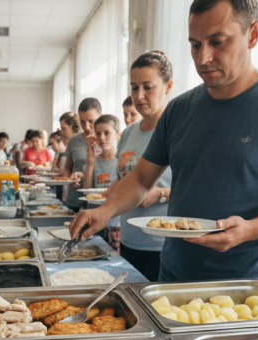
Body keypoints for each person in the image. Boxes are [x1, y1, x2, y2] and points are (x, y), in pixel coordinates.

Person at [69, 0, 258, 282]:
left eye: (218, 42)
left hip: (242, 284)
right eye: (195, 45)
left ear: (253, 34)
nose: (203, 58)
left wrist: (251, 229)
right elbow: (142, 178)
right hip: (172, 276)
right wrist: (104, 211)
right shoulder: (180, 110)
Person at [110, 50, 175, 281]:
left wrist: (161, 194)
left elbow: (198, 188)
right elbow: (123, 177)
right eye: (134, 87)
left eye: (148, 87)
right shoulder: (128, 133)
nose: (140, 95)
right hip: (129, 239)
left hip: (162, 244)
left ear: (167, 87)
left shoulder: (177, 131)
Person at [83, 115, 121, 250]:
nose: (102, 138)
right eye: (98, 134)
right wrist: (90, 164)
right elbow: (87, 191)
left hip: (116, 222)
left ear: (117, 135)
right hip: (96, 221)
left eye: (107, 133)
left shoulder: (121, 161)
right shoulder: (94, 161)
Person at [63, 98, 102, 211]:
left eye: (91, 121)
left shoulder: (107, 141)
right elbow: (67, 168)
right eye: (82, 122)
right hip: (75, 198)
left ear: (100, 116)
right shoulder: (73, 140)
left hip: (98, 200)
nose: (87, 127)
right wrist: (69, 180)